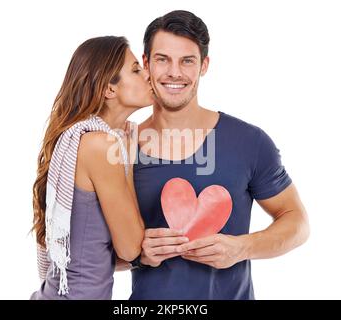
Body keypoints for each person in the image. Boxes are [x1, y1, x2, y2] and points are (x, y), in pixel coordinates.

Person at [128, 10, 310, 299]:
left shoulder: (249, 142)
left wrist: (242, 247)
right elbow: (92, 252)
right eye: (163, 59)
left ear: (204, 65)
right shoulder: (121, 147)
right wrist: (137, 255)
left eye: (187, 60)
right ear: (147, 64)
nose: (174, 72)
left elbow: (297, 222)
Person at [30, 36, 154, 299]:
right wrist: (128, 162)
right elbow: (130, 248)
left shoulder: (86, 138)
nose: (147, 75)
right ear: (109, 89)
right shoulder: (99, 144)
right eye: (135, 70)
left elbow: (91, 253)